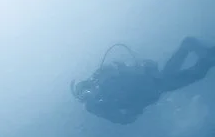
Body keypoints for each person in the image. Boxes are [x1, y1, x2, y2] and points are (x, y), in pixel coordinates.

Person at [71, 37, 215, 124]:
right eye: (85, 95)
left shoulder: (103, 84)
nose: (90, 93)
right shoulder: (99, 103)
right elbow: (123, 119)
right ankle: (198, 50)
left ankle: (200, 51)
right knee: (192, 70)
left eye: (87, 90)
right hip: (154, 82)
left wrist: (135, 109)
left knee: (196, 72)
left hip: (154, 84)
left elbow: (125, 119)